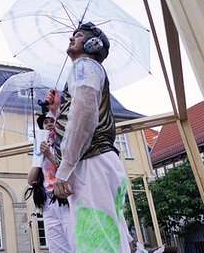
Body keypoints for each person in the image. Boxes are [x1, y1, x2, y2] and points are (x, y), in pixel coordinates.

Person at [44, 22, 131, 252]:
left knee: (97, 243)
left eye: (79, 35)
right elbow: (80, 112)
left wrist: (64, 170)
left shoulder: (84, 65)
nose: (72, 38)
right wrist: (57, 109)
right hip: (96, 162)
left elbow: (84, 117)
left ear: (94, 44)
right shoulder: (87, 69)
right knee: (109, 238)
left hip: (91, 163)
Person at [27, 109, 74, 252]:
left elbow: (70, 171)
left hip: (66, 199)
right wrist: (39, 157)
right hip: (48, 203)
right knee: (57, 247)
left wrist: (49, 155)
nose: (48, 124)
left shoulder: (66, 144)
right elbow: (31, 180)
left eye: (51, 121)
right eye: (45, 122)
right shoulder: (42, 147)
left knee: (76, 243)